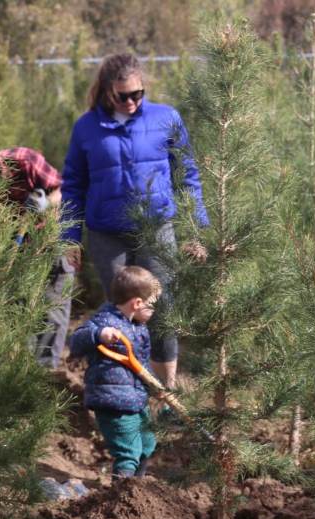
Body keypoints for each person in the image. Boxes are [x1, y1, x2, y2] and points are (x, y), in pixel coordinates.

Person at [62, 53, 208, 390]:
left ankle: (165, 390)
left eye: (137, 94)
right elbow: (73, 185)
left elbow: (187, 176)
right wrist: (69, 237)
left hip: (156, 230)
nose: (131, 102)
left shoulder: (166, 118)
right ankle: (125, 390)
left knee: (161, 306)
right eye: (123, 96)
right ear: (107, 91)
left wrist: (195, 230)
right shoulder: (86, 128)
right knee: (122, 310)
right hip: (106, 234)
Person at [69, 266, 160, 478]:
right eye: (152, 305)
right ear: (137, 303)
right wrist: (98, 334)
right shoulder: (106, 320)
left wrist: (155, 386)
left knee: (147, 443)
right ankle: (122, 490)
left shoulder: (138, 327)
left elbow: (141, 365)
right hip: (113, 402)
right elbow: (76, 341)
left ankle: (138, 486)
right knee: (128, 452)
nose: (154, 311)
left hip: (136, 399)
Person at [0, 147, 72, 370]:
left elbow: (64, 189)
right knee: (17, 307)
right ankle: (19, 370)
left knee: (52, 304)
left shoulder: (23, 160)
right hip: (11, 246)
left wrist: (47, 203)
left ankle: (44, 371)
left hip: (48, 237)